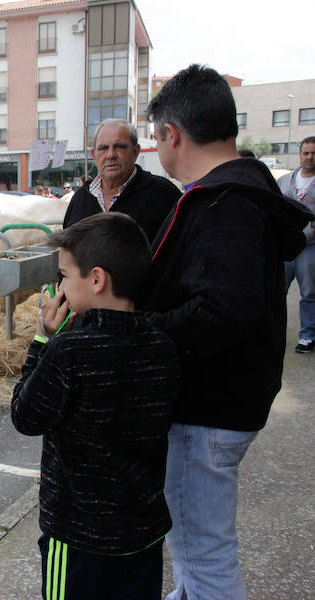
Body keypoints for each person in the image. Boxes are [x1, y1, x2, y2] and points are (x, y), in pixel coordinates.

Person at [141, 64, 313, 600]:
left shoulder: (223, 204)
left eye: (155, 138)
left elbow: (222, 311)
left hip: (206, 412)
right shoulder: (241, 190)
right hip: (222, 405)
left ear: (172, 134)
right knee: (196, 549)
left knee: (205, 552)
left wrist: (139, 333)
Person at [12, 212, 180, 600]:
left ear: (97, 279)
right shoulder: (163, 347)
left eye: (65, 276)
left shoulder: (69, 352)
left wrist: (42, 341)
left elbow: (24, 415)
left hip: (76, 537)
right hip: (142, 530)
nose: (60, 287)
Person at [64, 118, 181, 243]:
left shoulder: (163, 194)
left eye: (119, 147)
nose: (110, 155)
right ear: (94, 155)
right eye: (103, 148)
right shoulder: (81, 197)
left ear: (135, 151)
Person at [277, 136, 315, 353]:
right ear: (300, 154)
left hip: (309, 247)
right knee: (275, 290)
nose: (309, 157)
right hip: (285, 246)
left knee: (309, 292)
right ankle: (274, 331)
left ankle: (308, 336)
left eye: (314, 153)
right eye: (306, 153)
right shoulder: (285, 180)